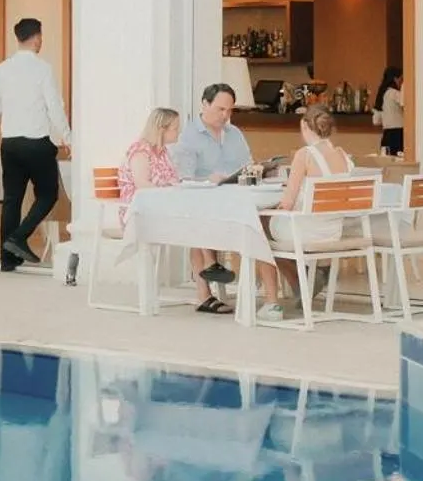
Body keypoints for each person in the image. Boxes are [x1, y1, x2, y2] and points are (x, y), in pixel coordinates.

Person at [125, 107, 234, 314]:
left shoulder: (163, 152)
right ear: (161, 129)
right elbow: (142, 184)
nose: (178, 133)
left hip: (164, 208)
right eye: (175, 128)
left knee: (198, 222)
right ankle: (210, 269)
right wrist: (170, 191)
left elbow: (174, 180)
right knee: (197, 224)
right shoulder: (140, 151)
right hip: (143, 212)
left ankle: (205, 293)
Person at [0, 17, 72, 271]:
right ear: (36, 38)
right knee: (48, 194)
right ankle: (18, 237)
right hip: (36, 142)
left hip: (10, 144)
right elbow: (54, 106)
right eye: (40, 37)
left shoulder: (2, 69)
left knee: (12, 199)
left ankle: (7, 259)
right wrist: (67, 137)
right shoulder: (42, 69)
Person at [257, 104, 356, 322]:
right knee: (268, 232)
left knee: (257, 229)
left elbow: (288, 202)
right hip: (332, 231)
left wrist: (270, 209)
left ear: (304, 126)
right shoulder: (342, 156)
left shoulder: (305, 155)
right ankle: (303, 284)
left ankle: (274, 301)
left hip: (305, 230)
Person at [171, 82, 252, 183]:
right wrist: (207, 181)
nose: (225, 115)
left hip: (239, 193)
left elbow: (249, 168)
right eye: (221, 109)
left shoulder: (235, 133)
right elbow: (184, 180)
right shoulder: (188, 136)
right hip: (205, 195)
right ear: (205, 104)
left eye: (229, 110)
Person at [375, 67, 406, 157]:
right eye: (401, 79)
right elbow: (405, 103)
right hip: (397, 133)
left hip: (386, 134)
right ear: (395, 79)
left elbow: (376, 120)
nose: (401, 82)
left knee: (387, 160)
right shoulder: (394, 93)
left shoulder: (383, 94)